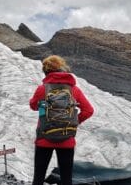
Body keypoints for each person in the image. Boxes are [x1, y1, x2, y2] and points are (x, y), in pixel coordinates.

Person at [29, 55, 94, 185]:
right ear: (61, 68)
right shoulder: (74, 90)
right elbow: (89, 110)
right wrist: (73, 122)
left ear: (46, 71)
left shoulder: (43, 89)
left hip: (44, 138)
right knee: (66, 179)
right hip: (67, 139)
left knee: (38, 177)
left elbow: (33, 106)